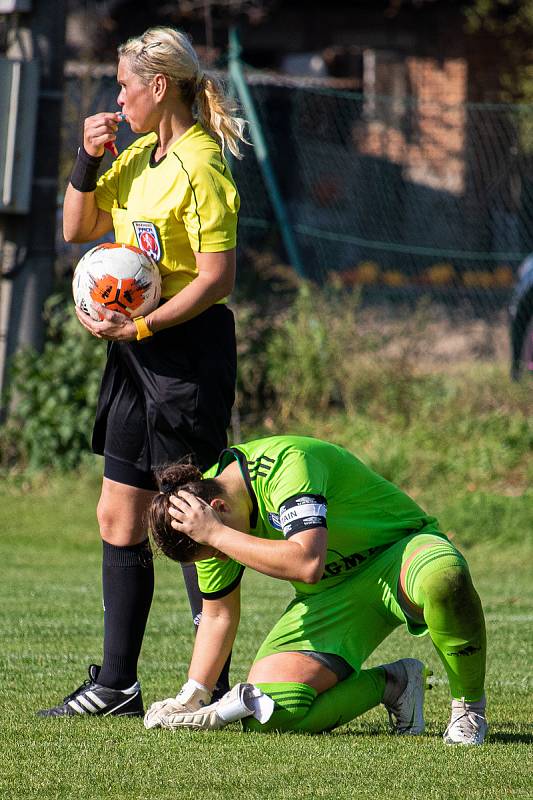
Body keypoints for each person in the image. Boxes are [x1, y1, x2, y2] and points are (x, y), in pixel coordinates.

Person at [38, 26, 246, 717]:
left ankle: (208, 687)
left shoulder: (200, 164)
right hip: (133, 354)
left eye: (125, 84)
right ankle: (116, 684)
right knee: (117, 513)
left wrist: (145, 324)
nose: (117, 96)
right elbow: (78, 227)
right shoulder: (136, 156)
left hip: (186, 353)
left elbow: (216, 279)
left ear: (159, 87)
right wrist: (85, 156)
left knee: (187, 514)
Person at [145, 434, 488, 745]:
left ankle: (469, 706)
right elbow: (218, 613)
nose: (222, 554)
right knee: (267, 715)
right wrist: (194, 694)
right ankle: (395, 683)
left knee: (444, 575)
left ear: (219, 509)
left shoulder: (286, 465)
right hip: (328, 598)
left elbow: (308, 563)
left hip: (397, 554)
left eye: (218, 548)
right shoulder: (203, 519)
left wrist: (218, 537)